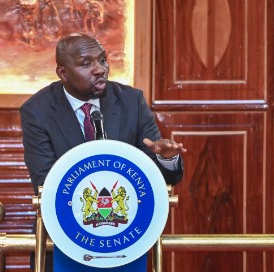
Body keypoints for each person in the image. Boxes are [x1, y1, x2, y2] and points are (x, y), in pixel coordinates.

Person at [20, 32, 187, 272]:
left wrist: (165, 159)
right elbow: (44, 180)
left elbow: (162, 179)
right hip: (68, 237)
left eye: (102, 60)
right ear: (63, 73)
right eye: (86, 64)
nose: (100, 69)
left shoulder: (132, 101)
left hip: (125, 240)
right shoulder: (38, 111)